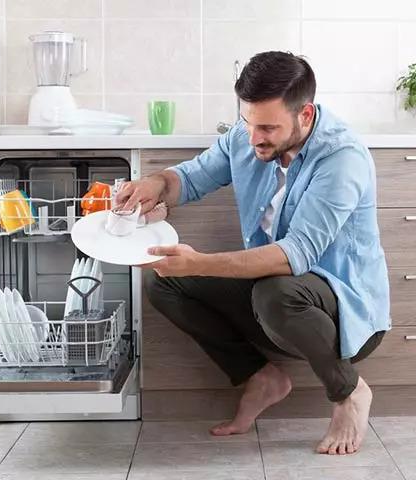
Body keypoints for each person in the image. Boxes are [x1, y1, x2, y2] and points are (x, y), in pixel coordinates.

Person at [116, 51, 390, 455]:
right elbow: (189, 178)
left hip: (342, 313)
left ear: (306, 116)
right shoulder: (248, 137)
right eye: (248, 123)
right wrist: (156, 184)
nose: (254, 138)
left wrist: (201, 263)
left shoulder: (341, 158)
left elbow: (294, 255)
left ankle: (348, 390)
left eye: (267, 128)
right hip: (274, 300)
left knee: (275, 292)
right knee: (166, 283)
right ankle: (261, 377)